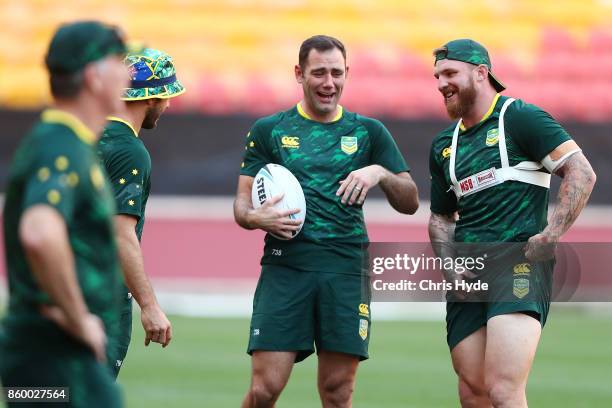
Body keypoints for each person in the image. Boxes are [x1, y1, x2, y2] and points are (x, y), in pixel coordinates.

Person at [234, 35, 419, 408]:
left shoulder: (369, 132)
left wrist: (380, 173)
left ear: (347, 74)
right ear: (299, 74)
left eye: (336, 73)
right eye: (319, 73)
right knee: (264, 389)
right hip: (287, 268)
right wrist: (256, 217)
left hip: (346, 269)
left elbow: (411, 201)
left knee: (338, 392)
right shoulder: (269, 130)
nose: (328, 82)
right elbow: (241, 206)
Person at [428, 39, 596, 407]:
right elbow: (440, 217)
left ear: (481, 73)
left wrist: (552, 234)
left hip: (518, 262)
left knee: (503, 389)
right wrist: (449, 267)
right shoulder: (445, 144)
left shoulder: (519, 118)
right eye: (437, 75)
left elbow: (581, 173)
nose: (441, 83)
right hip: (470, 272)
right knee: (473, 391)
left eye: (450, 73)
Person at [0, 21, 129, 406]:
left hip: (48, 356)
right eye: (119, 61)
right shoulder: (61, 147)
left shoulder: (70, 144)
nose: (128, 72)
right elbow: (40, 232)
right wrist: (77, 318)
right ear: (93, 76)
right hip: (51, 356)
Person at [97, 46, 185, 378]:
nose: (167, 105)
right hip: (100, 300)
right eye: (166, 96)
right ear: (151, 98)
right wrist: (149, 307)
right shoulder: (130, 152)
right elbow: (121, 234)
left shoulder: (80, 136)